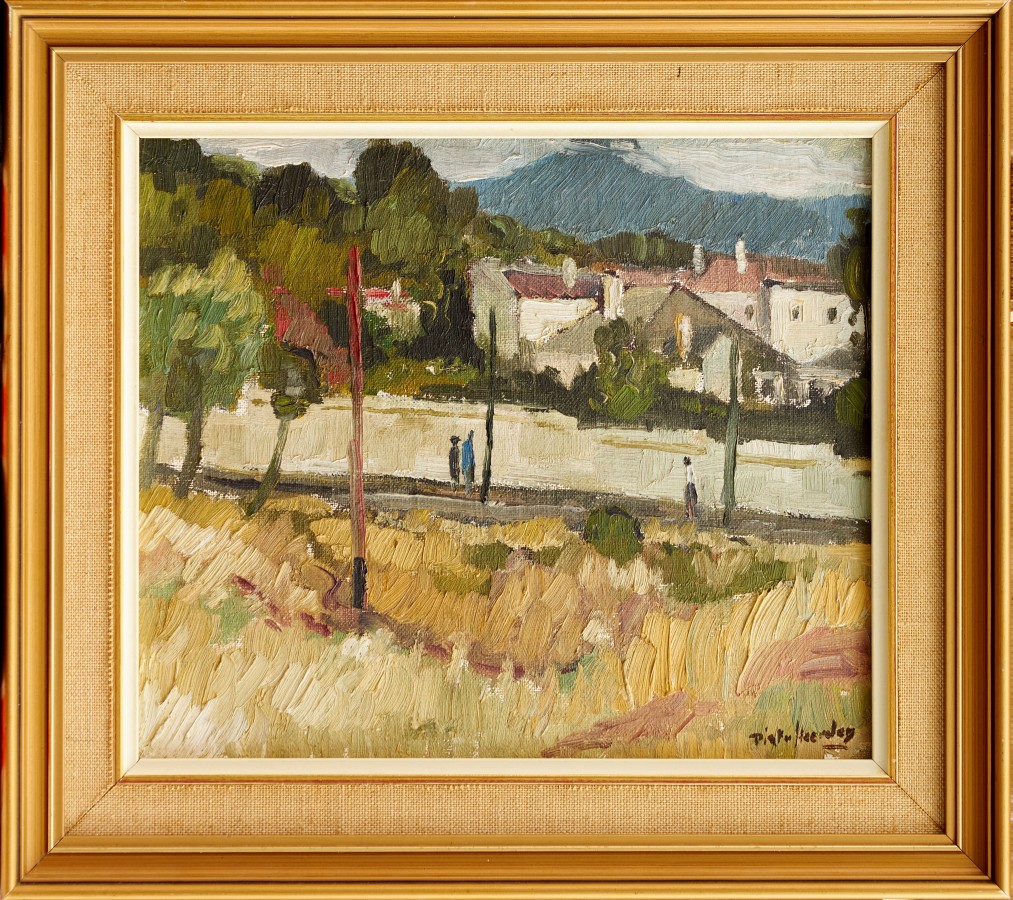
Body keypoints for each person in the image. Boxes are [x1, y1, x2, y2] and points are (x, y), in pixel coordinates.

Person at [683, 456, 698, 521]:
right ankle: (690, 515)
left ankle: (693, 515)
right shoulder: (687, 467)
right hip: (688, 484)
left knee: (692, 500)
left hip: (691, 484)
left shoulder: (691, 466)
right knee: (688, 499)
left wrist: (695, 482)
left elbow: (694, 475)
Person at [461, 430, 476, 494]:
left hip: (465, 464)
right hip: (468, 464)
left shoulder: (464, 444)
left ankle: (467, 491)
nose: (472, 437)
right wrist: (473, 464)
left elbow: (463, 455)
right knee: (468, 479)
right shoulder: (469, 444)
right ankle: (468, 492)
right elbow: (471, 455)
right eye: (472, 436)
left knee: (467, 479)